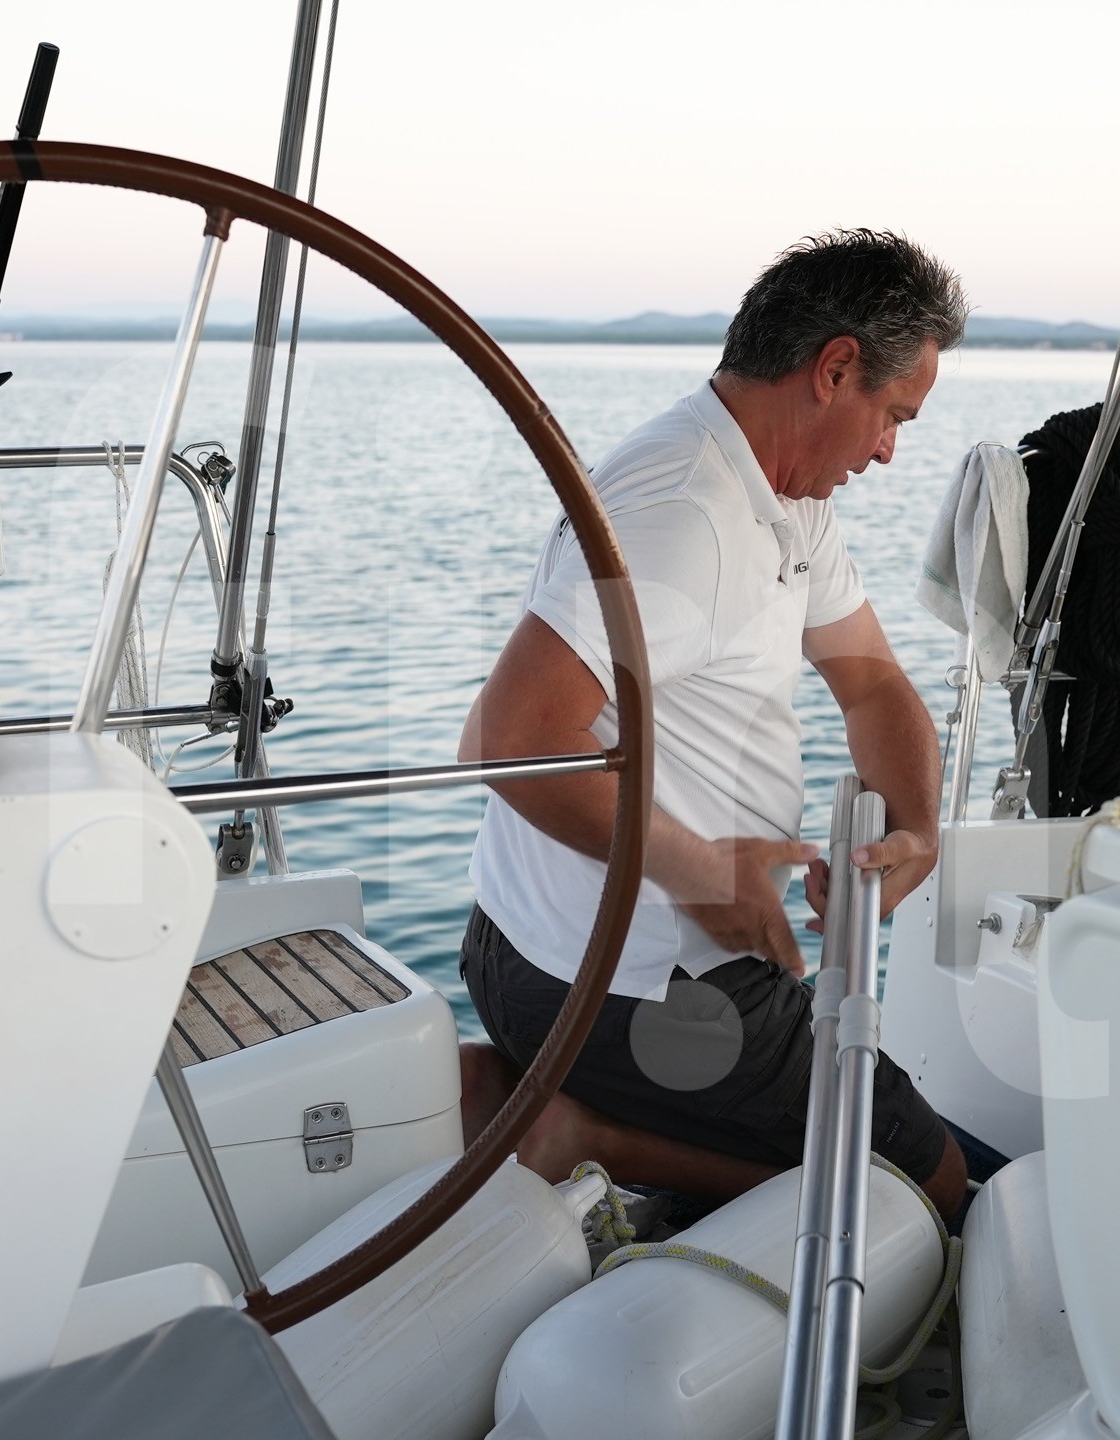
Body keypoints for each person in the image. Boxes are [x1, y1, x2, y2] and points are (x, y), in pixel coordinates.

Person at [457, 229, 971, 1218]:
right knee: (932, 1188)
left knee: (884, 1146)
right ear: (834, 370)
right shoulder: (684, 509)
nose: (888, 451)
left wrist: (918, 830)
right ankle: (589, 1133)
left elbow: (871, 685)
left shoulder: (781, 497)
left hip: (543, 953)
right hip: (619, 989)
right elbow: (508, 745)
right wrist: (706, 876)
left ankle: (581, 1113)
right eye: (892, 417)